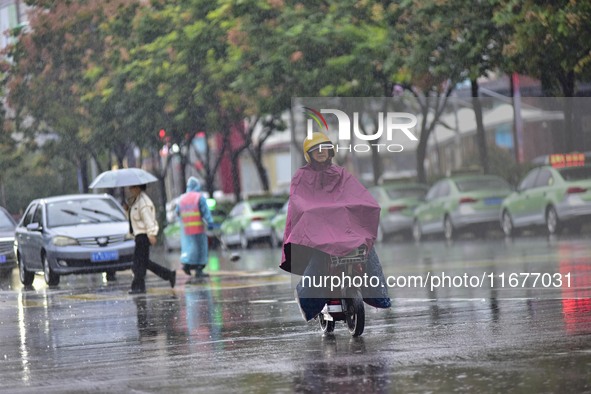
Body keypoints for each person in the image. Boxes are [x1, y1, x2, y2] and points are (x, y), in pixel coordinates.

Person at [280, 132, 391, 321]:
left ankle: (379, 295)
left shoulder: (340, 173)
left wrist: (366, 206)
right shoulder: (301, 176)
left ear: (330, 151)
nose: (321, 152)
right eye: (316, 149)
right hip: (320, 236)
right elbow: (299, 202)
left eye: (324, 148)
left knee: (367, 251)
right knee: (318, 260)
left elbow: (357, 195)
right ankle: (307, 299)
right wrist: (313, 213)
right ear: (309, 154)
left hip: (345, 232)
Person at [126, 184, 176, 294]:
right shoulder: (137, 200)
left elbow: (148, 219)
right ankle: (168, 275)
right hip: (139, 236)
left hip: (144, 236)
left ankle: (138, 286)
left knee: (138, 263)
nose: (130, 190)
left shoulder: (143, 202)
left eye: (132, 187)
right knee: (143, 263)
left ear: (138, 188)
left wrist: (151, 233)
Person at [176, 177, 214, 281]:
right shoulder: (199, 197)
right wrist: (210, 222)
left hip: (186, 229)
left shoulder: (181, 198)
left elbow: (177, 212)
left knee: (189, 247)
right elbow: (205, 211)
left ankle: (187, 264)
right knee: (200, 249)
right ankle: (198, 269)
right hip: (197, 227)